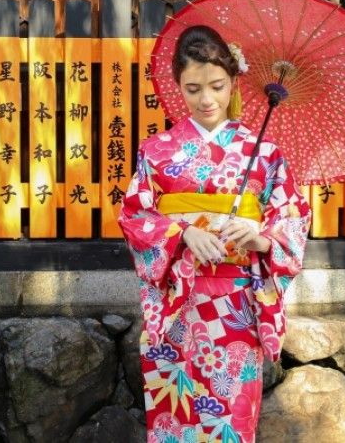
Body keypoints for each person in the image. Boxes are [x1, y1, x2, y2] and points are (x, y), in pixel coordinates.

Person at [118, 25, 310, 443]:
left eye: (217, 86)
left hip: (235, 308)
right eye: (192, 89)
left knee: (232, 420)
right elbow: (135, 216)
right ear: (178, 88)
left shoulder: (265, 154)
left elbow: (293, 219)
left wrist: (260, 236)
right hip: (177, 307)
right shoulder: (157, 151)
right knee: (175, 417)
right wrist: (182, 233)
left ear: (233, 82)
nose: (206, 99)